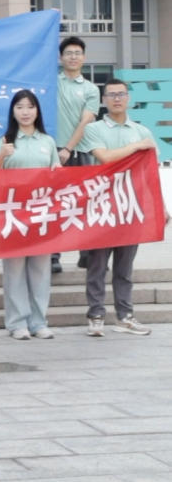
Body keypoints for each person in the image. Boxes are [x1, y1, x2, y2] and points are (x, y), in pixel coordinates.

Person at [79, 79, 164, 338]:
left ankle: (125, 316)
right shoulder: (94, 129)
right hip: (101, 206)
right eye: (111, 95)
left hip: (130, 207)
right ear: (104, 100)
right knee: (97, 265)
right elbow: (105, 157)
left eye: (121, 94)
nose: (117, 98)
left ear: (128, 98)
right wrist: (136, 146)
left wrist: (161, 206)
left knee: (124, 268)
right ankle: (96, 315)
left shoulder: (142, 131)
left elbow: (151, 173)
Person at [0, 90, 58, 341]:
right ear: (13, 112)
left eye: (30, 106)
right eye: (20, 107)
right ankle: (17, 323)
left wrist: (58, 171)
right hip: (13, 214)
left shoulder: (47, 142)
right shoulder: (4, 141)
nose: (25, 112)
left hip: (41, 214)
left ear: (37, 111)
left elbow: (57, 176)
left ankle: (38, 322)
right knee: (14, 270)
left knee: (41, 270)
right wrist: (0, 156)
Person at [52, 37, 101, 274]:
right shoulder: (51, 82)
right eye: (68, 53)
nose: (73, 57)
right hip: (52, 150)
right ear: (60, 58)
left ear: (84, 57)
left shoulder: (91, 89)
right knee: (53, 204)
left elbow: (86, 121)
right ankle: (52, 255)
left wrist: (68, 147)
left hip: (80, 151)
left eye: (77, 53)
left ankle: (86, 254)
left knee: (83, 202)